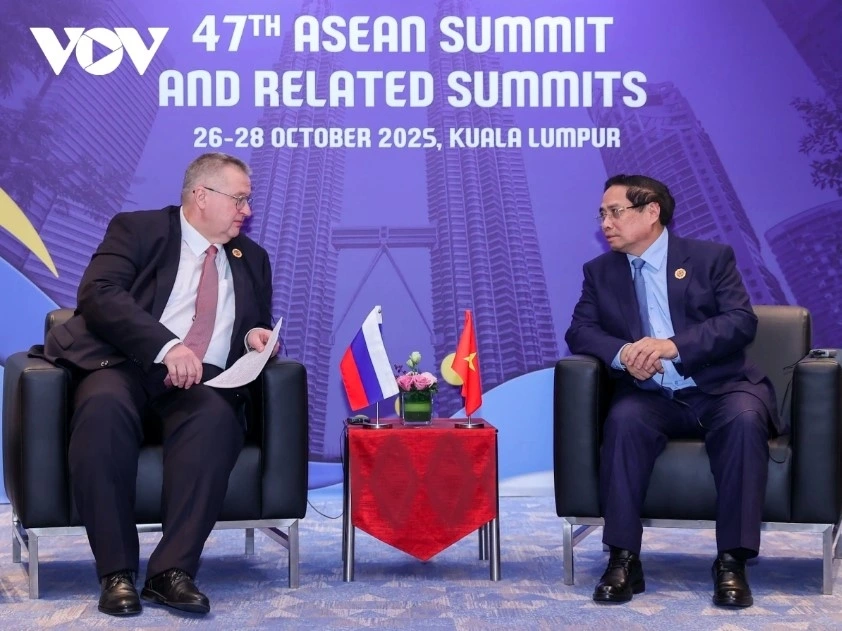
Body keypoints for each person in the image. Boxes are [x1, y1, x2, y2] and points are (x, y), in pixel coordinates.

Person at [43, 152, 278, 616]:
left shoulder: (251, 258)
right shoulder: (139, 229)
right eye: (239, 199)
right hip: (124, 366)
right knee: (102, 410)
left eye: (247, 201)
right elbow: (99, 294)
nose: (246, 210)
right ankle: (116, 573)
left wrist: (255, 335)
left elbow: (255, 320)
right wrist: (166, 346)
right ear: (201, 196)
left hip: (201, 383)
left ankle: (171, 573)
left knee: (216, 420)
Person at [565, 174, 783, 608]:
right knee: (623, 421)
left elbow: (740, 321)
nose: (605, 223)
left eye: (615, 212)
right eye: (602, 214)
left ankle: (732, 561)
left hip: (722, 388)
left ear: (651, 212)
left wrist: (673, 346)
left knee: (744, 421)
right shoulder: (600, 272)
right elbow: (580, 331)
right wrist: (624, 353)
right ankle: (623, 559)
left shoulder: (709, 258)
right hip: (651, 395)